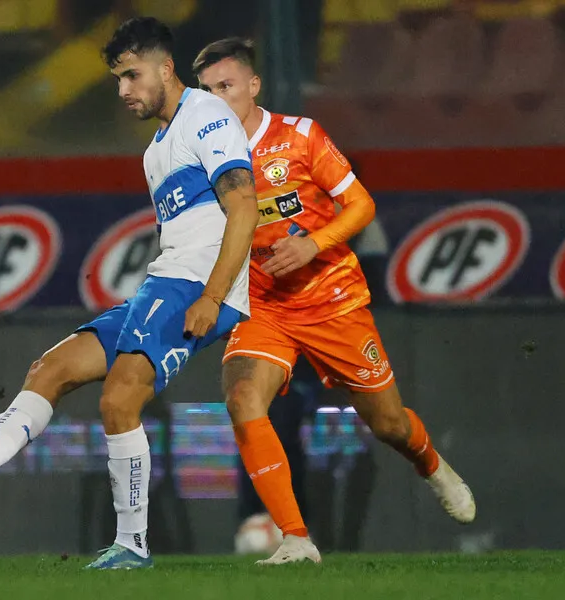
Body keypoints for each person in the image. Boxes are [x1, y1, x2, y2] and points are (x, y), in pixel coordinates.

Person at [0, 17, 259, 570]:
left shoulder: (206, 115)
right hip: (168, 280)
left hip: (195, 284)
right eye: (117, 79)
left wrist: (212, 295)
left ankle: (132, 546)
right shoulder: (156, 150)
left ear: (165, 68)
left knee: (119, 400)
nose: (123, 90)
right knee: (51, 369)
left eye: (132, 76)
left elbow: (244, 207)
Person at [192, 37, 476, 565]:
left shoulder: (300, 137)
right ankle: (295, 539)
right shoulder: (197, 157)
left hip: (331, 299)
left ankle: (432, 464)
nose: (215, 99)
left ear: (254, 86)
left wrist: (313, 245)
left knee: (388, 425)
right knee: (243, 398)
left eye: (225, 86)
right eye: (205, 91)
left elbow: (361, 205)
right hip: (264, 306)